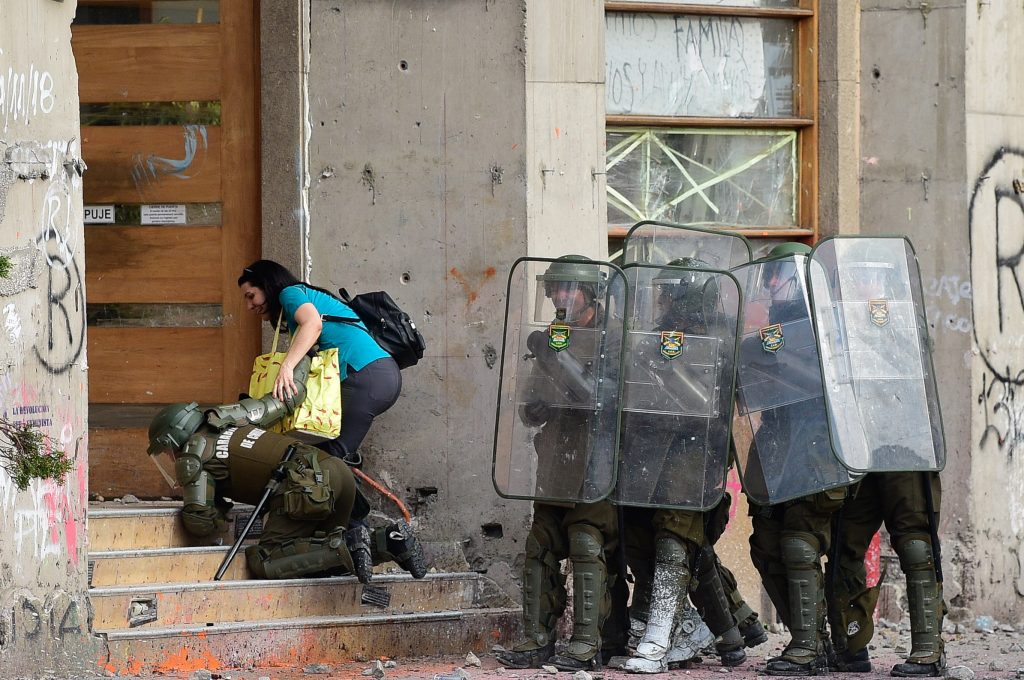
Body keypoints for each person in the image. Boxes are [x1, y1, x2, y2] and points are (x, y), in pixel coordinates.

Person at [617, 258, 763, 674]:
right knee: (655, 540)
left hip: (696, 452)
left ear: (690, 295)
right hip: (649, 453)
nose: (662, 299)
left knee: (676, 539)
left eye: (670, 291)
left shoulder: (723, 339)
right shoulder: (654, 339)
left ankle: (657, 641)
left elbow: (733, 401)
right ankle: (726, 632)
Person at [819, 245, 946, 677]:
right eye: (857, 277)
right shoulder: (838, 323)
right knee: (843, 543)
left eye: (872, 276)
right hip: (858, 448)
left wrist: (874, 330)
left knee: (914, 542)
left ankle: (928, 650)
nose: (863, 284)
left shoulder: (903, 320)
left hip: (904, 447)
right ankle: (851, 644)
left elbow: (915, 365)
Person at [146, 390, 427, 582]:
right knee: (323, 561)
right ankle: (389, 540)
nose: (169, 458)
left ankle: (353, 544)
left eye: (166, 451)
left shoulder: (193, 453)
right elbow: (287, 398)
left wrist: (213, 507)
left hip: (303, 488)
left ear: (174, 439)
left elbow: (199, 522)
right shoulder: (232, 416)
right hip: (336, 471)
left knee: (265, 560)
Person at [733, 242, 857, 676]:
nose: (771, 284)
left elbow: (837, 384)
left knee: (800, 542)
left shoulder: (829, 324)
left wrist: (781, 359)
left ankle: (810, 646)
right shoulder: (770, 334)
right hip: (776, 445)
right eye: (767, 276)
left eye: (778, 275)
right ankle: (815, 638)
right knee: (766, 545)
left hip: (817, 445)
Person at [494, 256, 623, 672]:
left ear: (590, 293)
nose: (559, 297)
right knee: (541, 545)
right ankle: (536, 638)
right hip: (555, 456)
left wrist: (561, 361)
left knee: (587, 542)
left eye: (569, 288)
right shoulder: (553, 336)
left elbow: (606, 397)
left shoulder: (615, 337)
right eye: (555, 289)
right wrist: (533, 406)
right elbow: (532, 400)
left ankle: (586, 642)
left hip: (597, 457)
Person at [237, 259, 399, 468]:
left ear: (267, 284)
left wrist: (286, 367)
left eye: (251, 296)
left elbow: (313, 324)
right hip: (377, 374)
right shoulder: (304, 297)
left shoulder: (290, 293)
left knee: (328, 460)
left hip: (365, 376)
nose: (249, 306)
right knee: (325, 455)